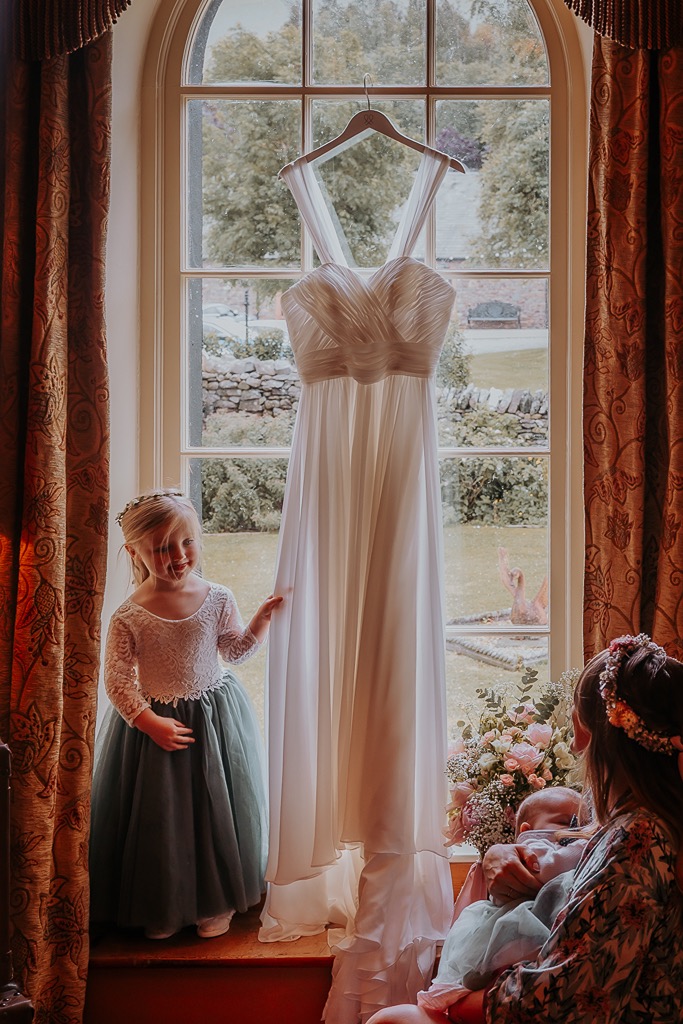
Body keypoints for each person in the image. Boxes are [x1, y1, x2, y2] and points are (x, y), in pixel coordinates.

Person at [369, 633, 683, 1023]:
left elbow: (561, 1003)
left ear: (583, 730)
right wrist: (501, 852)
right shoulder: (638, 824)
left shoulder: (637, 839)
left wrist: (457, 1002)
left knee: (395, 1019)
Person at [90, 489, 282, 940]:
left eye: (187, 542)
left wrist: (259, 623)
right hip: (156, 728)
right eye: (162, 548)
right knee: (163, 817)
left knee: (214, 810)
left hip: (214, 721)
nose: (178, 556)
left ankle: (216, 901)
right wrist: (148, 721)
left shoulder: (217, 597)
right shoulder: (130, 615)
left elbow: (233, 651)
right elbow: (117, 680)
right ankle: (165, 905)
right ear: (134, 552)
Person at [417, 786, 589, 1014]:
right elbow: (553, 866)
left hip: (531, 936)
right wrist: (587, 842)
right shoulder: (534, 848)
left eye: (585, 825)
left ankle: (470, 987)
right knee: (498, 966)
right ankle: (463, 988)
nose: (579, 831)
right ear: (528, 830)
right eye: (568, 822)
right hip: (516, 929)